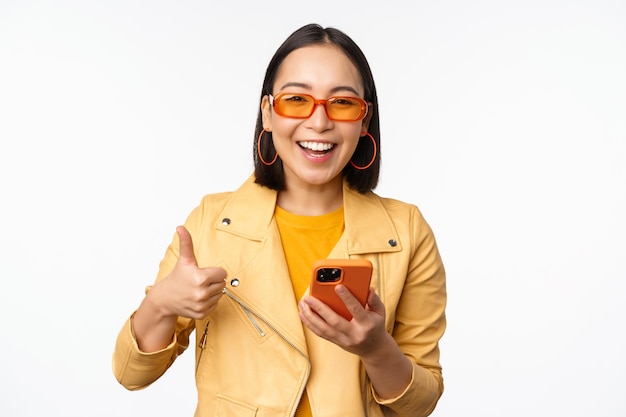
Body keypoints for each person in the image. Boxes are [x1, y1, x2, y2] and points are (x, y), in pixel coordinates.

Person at [112, 23, 447, 417]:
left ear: (363, 119)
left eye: (341, 103)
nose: (319, 122)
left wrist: (375, 348)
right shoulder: (212, 222)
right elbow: (131, 374)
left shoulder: (406, 232)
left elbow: (420, 404)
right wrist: (163, 303)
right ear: (269, 113)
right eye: (296, 99)